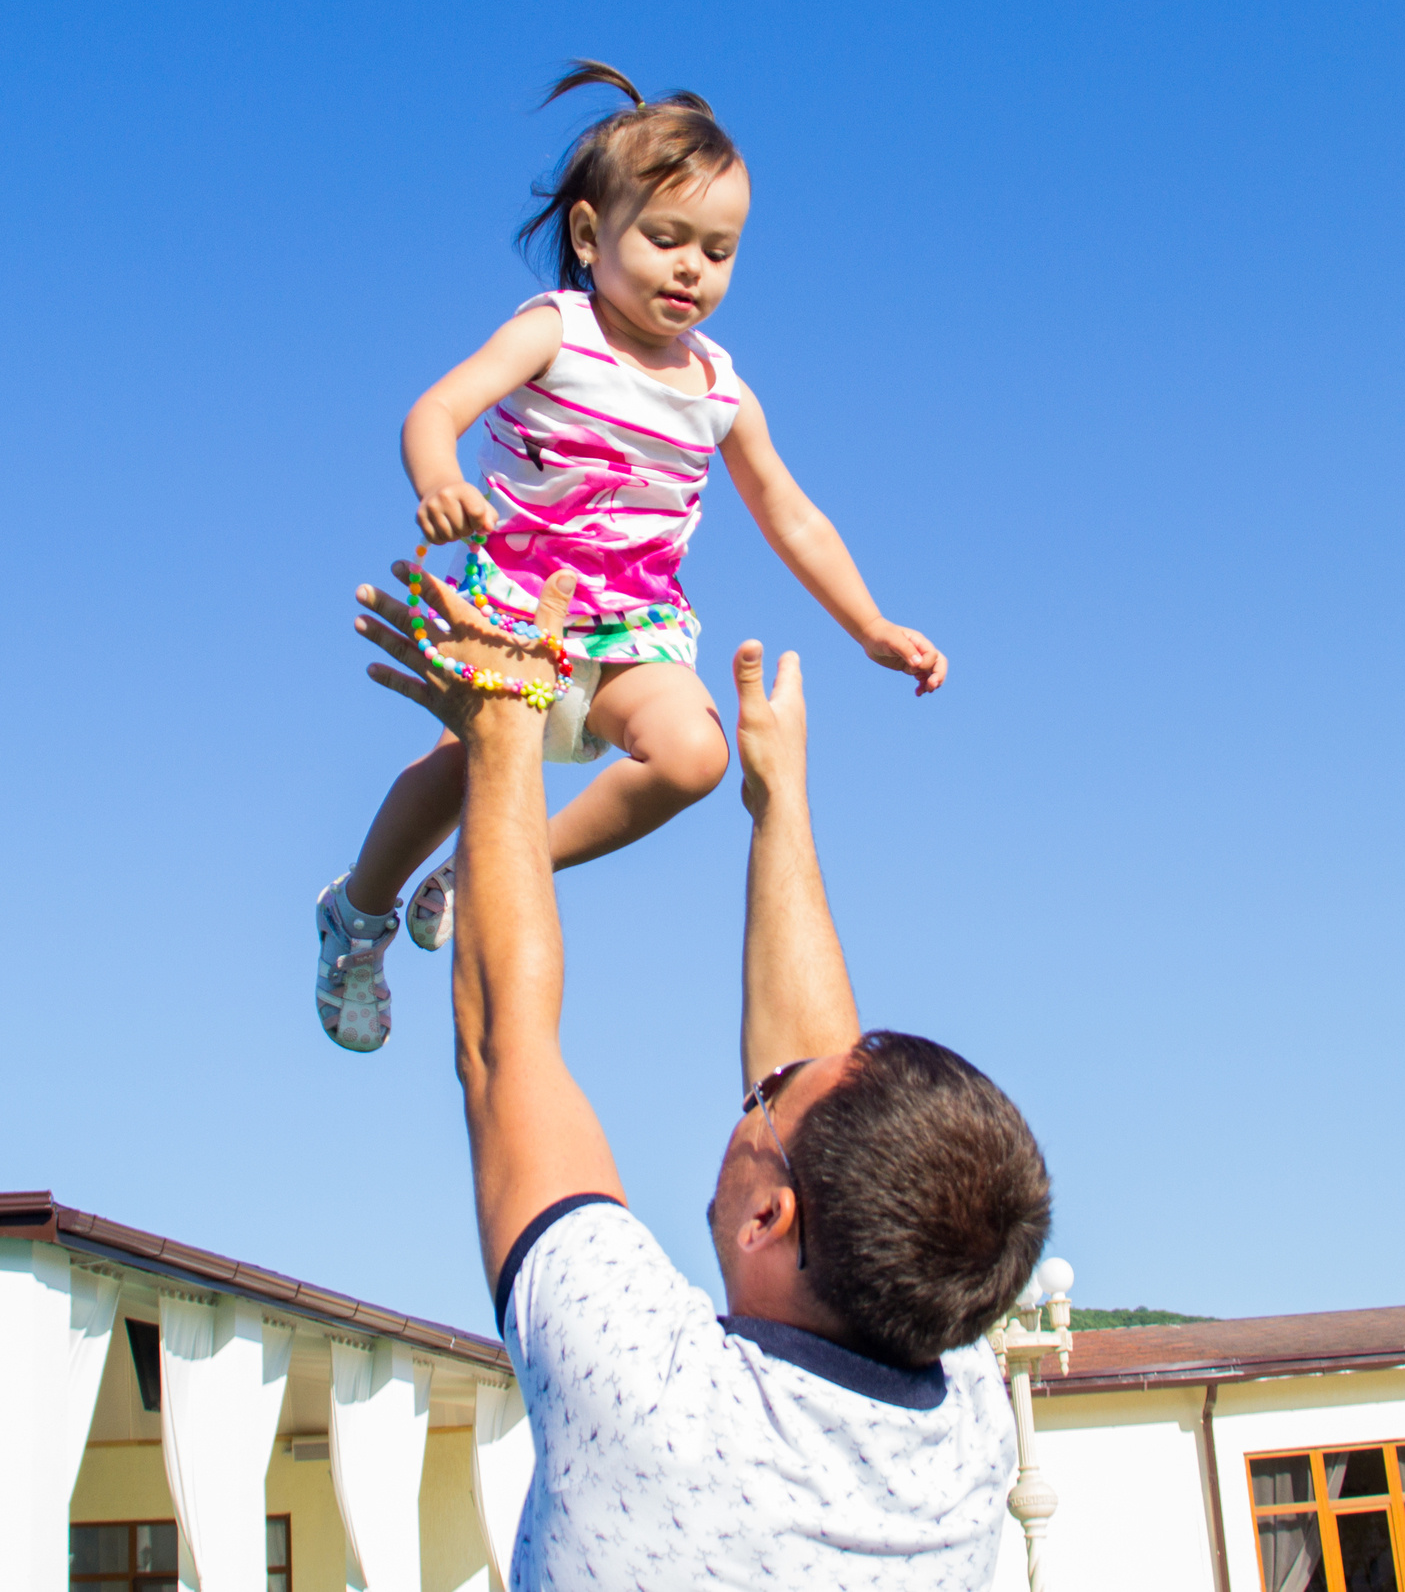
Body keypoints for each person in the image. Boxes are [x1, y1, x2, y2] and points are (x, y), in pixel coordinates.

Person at [353, 562, 1050, 1589]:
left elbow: (507, 1048)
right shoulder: (966, 1426)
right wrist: (779, 806)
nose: (764, 1080)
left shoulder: (650, 1398)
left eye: (764, 1102)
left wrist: (503, 725)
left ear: (768, 1217)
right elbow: (830, 1124)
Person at [314, 60, 947, 1052]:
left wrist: (868, 624)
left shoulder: (719, 388)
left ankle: (500, 863)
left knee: (695, 757)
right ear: (588, 236)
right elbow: (436, 408)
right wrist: (438, 479)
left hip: (634, 629)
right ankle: (357, 914)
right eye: (666, 239)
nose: (693, 268)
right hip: (514, 605)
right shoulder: (555, 331)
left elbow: (790, 513)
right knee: (455, 770)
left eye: (719, 251)